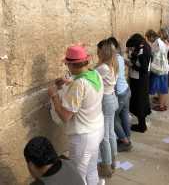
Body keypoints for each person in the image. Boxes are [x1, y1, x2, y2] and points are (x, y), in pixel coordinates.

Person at [48, 45, 104, 185]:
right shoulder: (95, 74)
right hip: (96, 129)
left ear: (71, 64)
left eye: (67, 64)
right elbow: (84, 90)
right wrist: (69, 82)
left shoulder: (79, 84)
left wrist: (54, 96)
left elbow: (65, 116)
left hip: (83, 136)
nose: (67, 67)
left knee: (78, 175)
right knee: (91, 168)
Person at [96, 39, 118, 178]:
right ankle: (113, 163)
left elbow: (90, 74)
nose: (97, 52)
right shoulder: (113, 65)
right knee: (110, 133)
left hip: (106, 101)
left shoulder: (103, 67)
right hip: (111, 98)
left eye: (98, 50)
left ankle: (106, 167)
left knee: (105, 136)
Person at [107, 37, 132, 152]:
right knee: (124, 115)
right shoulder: (119, 57)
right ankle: (127, 138)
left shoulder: (113, 61)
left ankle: (125, 141)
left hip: (120, 93)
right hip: (126, 90)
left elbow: (114, 80)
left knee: (113, 117)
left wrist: (115, 96)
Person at [126, 33, 151, 133]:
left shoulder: (143, 50)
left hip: (140, 80)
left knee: (140, 101)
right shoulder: (144, 46)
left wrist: (131, 65)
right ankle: (141, 123)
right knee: (139, 101)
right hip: (139, 79)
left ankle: (142, 126)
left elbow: (143, 69)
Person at [146, 29, 169, 111]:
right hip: (164, 68)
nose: (148, 40)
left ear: (152, 36)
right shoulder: (164, 42)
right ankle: (162, 103)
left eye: (148, 38)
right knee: (162, 88)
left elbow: (152, 53)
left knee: (162, 88)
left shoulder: (157, 43)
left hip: (159, 69)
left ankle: (161, 106)